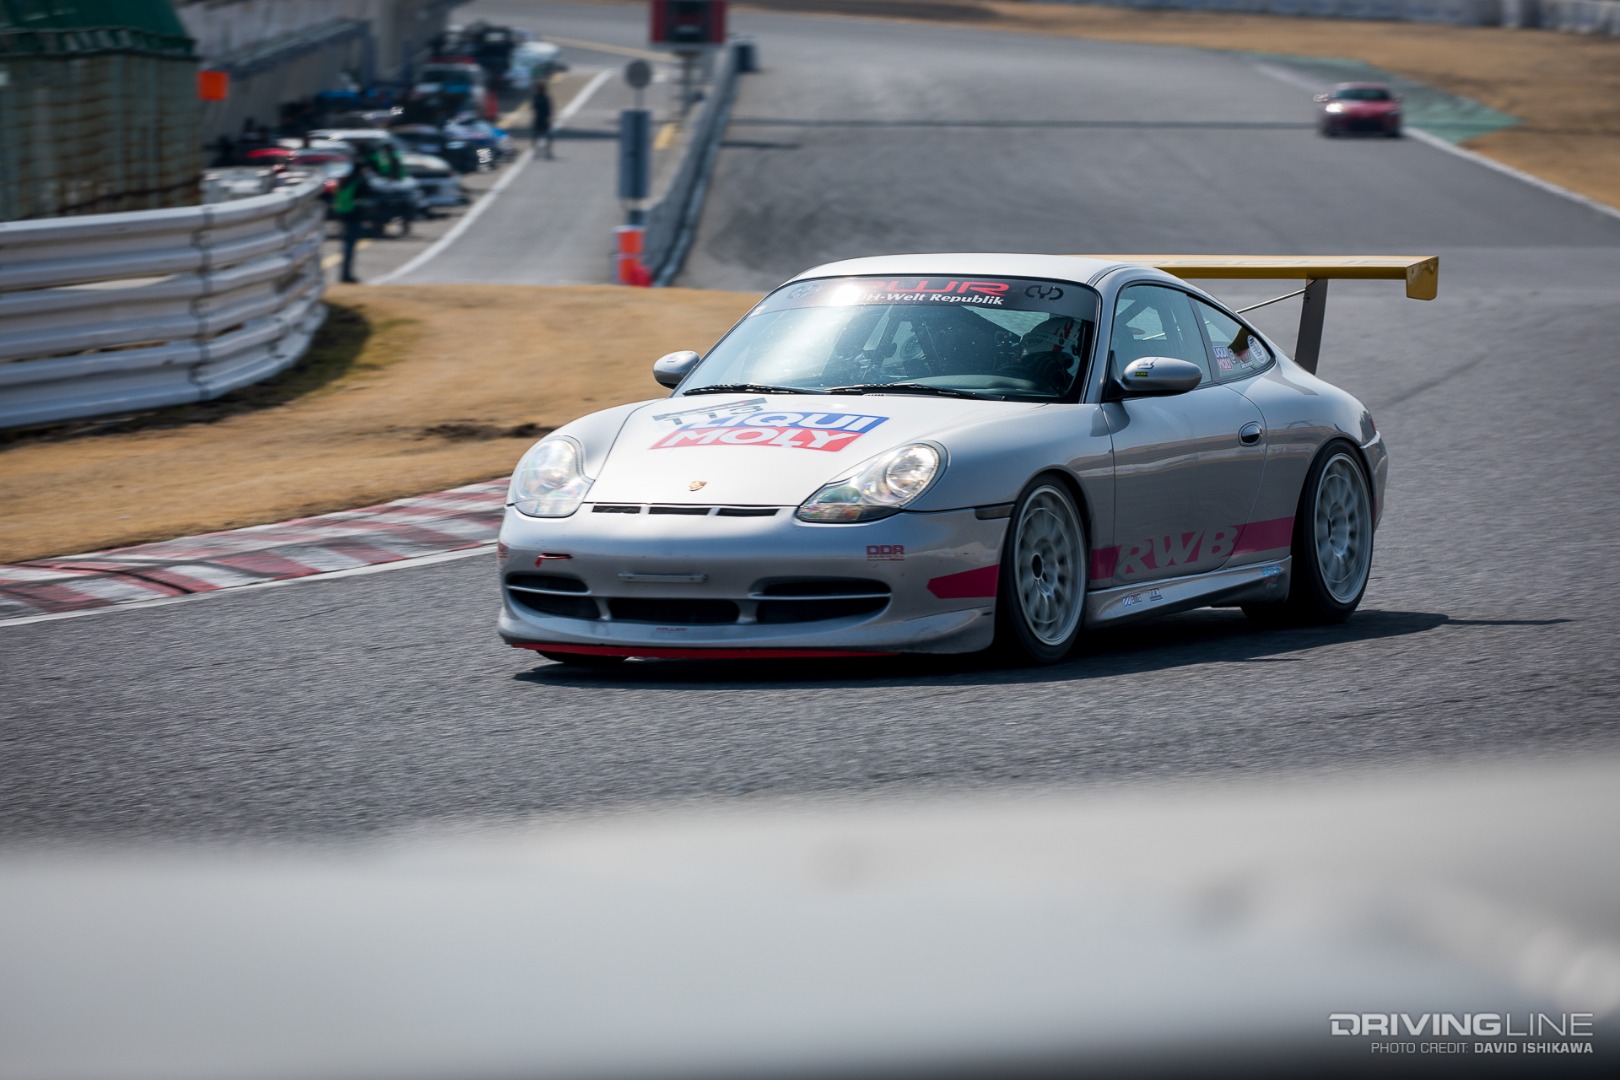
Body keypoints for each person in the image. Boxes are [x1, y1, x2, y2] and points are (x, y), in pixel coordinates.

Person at [331, 160, 371, 284]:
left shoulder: (344, 181)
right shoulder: (359, 182)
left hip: (343, 215)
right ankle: (346, 275)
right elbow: (367, 196)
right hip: (354, 217)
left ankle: (345, 274)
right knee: (350, 248)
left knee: (346, 247)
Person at [531, 79, 554, 157]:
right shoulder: (544, 98)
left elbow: (533, 108)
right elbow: (549, 109)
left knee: (537, 136)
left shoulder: (538, 97)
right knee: (545, 136)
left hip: (540, 119)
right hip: (542, 119)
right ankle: (546, 152)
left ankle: (541, 152)